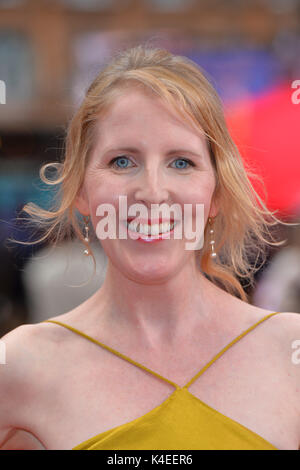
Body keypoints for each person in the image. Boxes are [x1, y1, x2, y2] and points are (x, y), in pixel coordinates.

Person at [1, 45, 300, 451]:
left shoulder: (290, 355)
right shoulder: (20, 365)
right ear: (81, 191)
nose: (152, 193)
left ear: (215, 193)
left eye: (181, 162)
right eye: (122, 161)